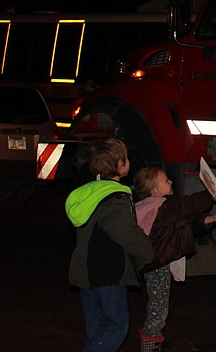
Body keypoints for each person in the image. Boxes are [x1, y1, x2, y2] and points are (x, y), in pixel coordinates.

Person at [65, 138, 154, 352]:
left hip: (87, 272)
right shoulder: (115, 198)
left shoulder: (88, 193)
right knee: (116, 327)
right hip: (108, 273)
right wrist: (149, 252)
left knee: (96, 329)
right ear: (121, 165)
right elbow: (127, 233)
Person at [133, 166, 216, 352]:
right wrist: (212, 193)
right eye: (165, 181)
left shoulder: (147, 206)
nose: (170, 182)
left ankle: (155, 342)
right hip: (157, 264)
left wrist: (210, 220)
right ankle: (150, 344)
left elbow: (181, 225)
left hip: (151, 262)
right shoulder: (165, 204)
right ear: (155, 190)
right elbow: (191, 204)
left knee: (158, 301)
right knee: (158, 305)